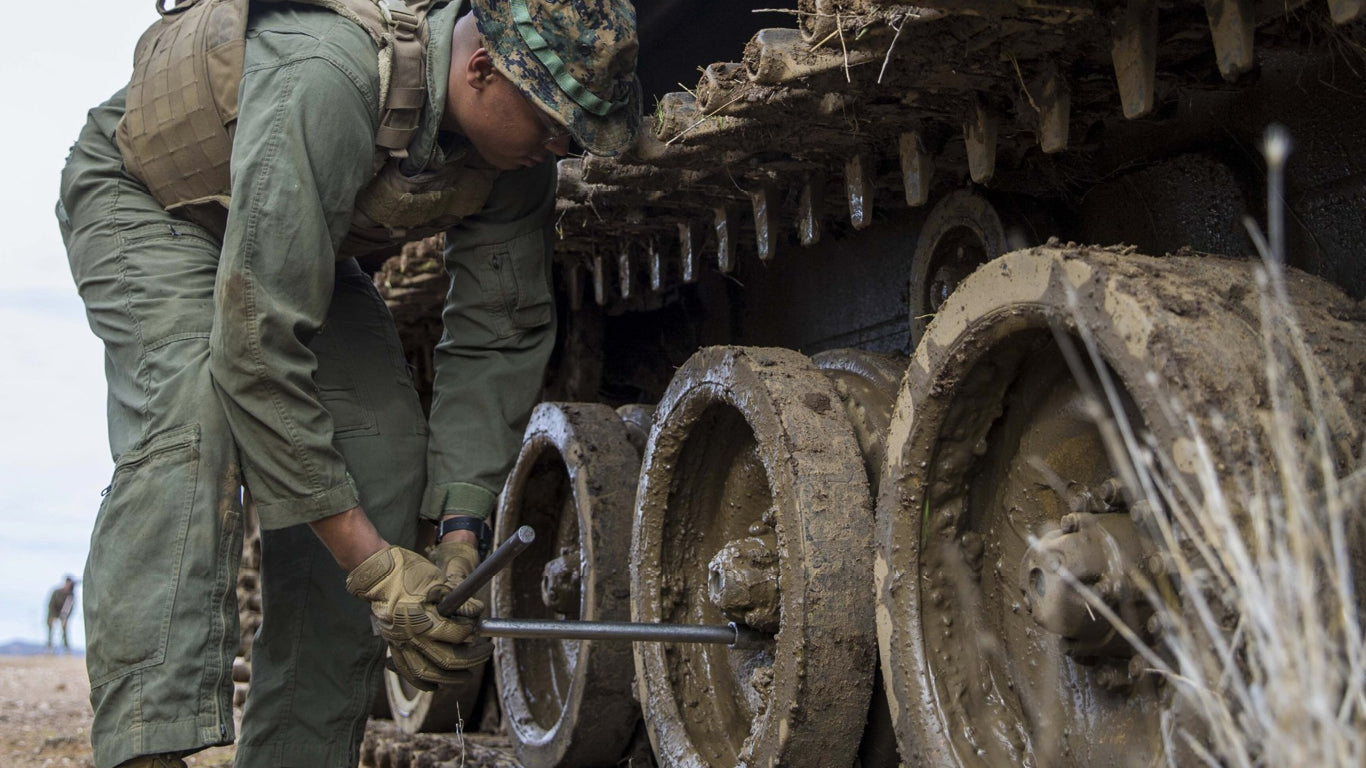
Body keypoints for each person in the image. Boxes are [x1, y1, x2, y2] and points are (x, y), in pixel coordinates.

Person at [56, 0, 639, 765]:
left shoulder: (513, 161)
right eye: (552, 120)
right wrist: (375, 566)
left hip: (290, 234)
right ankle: (146, 745)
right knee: (193, 424)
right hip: (150, 198)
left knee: (384, 448)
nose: (560, 146)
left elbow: (501, 331)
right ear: (481, 68)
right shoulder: (326, 76)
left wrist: (459, 532)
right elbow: (255, 352)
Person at [46, 576, 78, 653]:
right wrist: (52, 616)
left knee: (65, 631)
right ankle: (50, 647)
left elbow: (70, 608)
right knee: (50, 629)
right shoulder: (56, 592)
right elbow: (51, 605)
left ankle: (66, 648)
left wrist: (66, 618)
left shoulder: (70, 595)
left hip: (64, 614)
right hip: (54, 612)